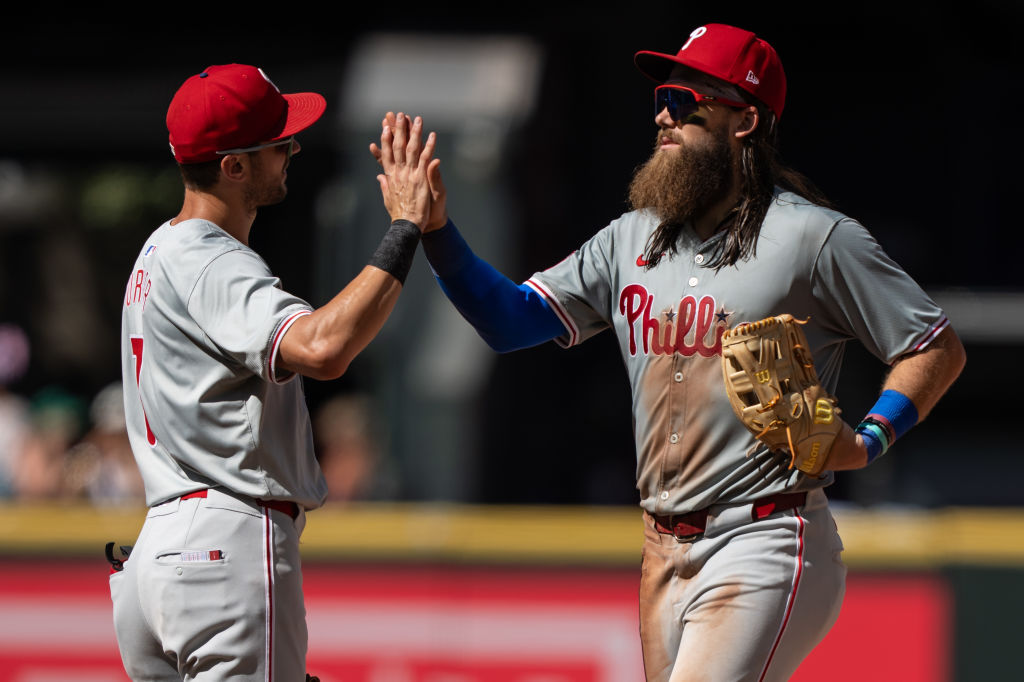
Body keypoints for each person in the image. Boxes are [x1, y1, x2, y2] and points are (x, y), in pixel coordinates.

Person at [374, 24, 967, 682]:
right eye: (662, 97)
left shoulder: (813, 238)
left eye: (686, 101)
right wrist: (434, 231)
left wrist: (871, 438)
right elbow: (509, 322)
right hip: (662, 548)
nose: (663, 113)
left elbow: (934, 346)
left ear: (743, 121)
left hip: (765, 535)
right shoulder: (630, 239)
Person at [112, 64, 436, 680]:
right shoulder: (211, 259)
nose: (292, 149)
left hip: (158, 552)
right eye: (277, 142)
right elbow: (323, 348)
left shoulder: (157, 250)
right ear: (233, 166)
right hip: (224, 542)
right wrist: (405, 226)